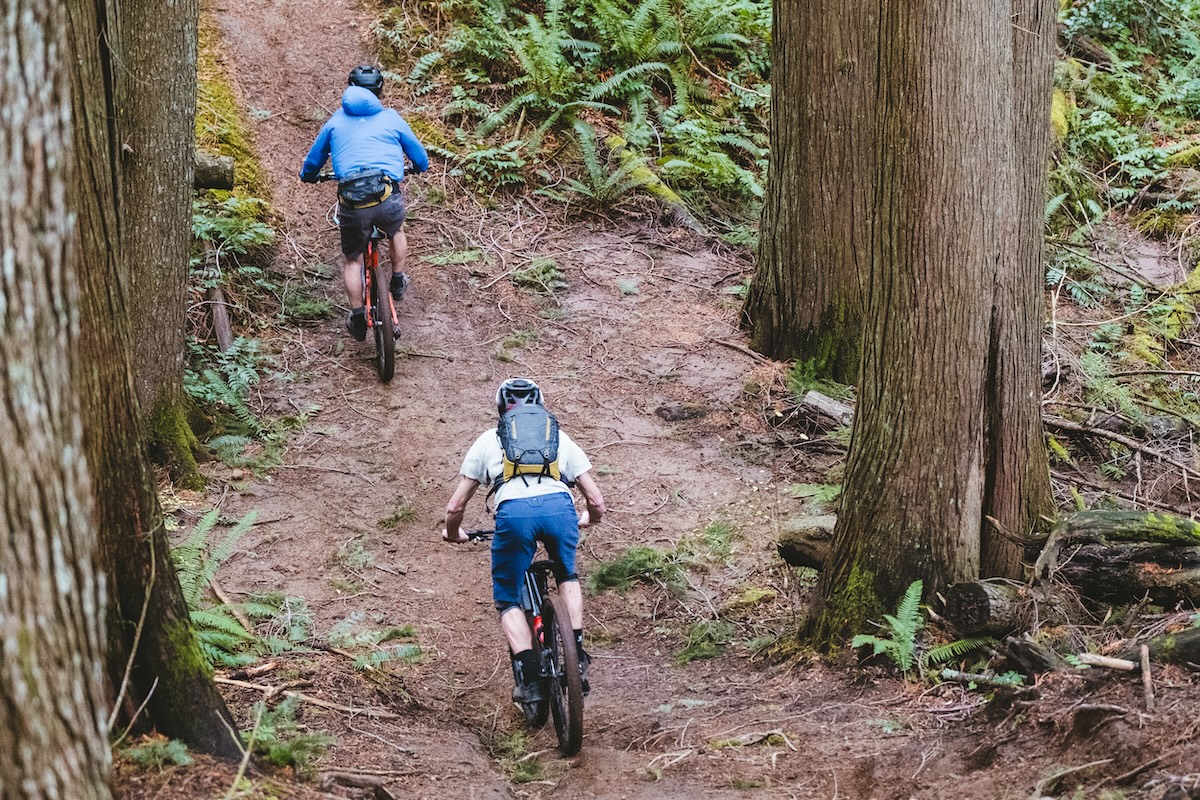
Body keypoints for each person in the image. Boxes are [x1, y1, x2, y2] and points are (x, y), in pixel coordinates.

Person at [441, 378, 606, 704]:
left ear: (501, 409)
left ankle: (529, 678)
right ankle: (576, 654)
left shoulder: (489, 439)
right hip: (559, 511)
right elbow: (597, 501)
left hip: (515, 516)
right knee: (567, 575)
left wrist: (453, 533)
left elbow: (455, 506)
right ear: (540, 405)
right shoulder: (559, 437)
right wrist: (589, 518)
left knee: (507, 597)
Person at [299, 65, 429, 341]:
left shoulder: (335, 122)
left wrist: (309, 176)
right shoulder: (391, 118)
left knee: (353, 259)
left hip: (353, 202)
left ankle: (358, 316)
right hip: (385, 195)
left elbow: (313, 161)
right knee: (396, 230)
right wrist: (418, 167)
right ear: (380, 90)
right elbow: (419, 156)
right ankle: (397, 279)